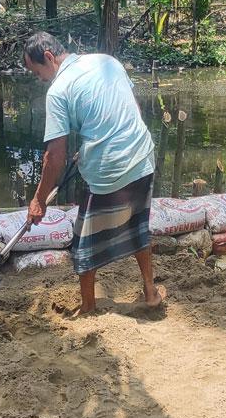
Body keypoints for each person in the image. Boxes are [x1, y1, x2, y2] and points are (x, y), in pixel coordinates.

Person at [22, 31, 165, 315]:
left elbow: (54, 156)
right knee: (138, 225)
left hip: (107, 171)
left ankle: (88, 307)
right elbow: (131, 110)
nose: (39, 78)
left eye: (36, 71)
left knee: (84, 241)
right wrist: (92, 145)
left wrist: (38, 200)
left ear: (49, 57)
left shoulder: (58, 90)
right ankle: (150, 292)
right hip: (141, 154)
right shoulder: (107, 61)